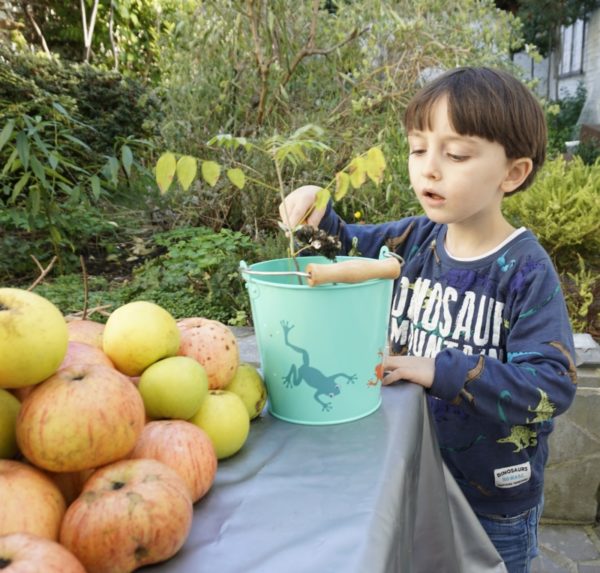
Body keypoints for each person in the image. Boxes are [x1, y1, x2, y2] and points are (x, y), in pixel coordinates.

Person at [279, 66, 577, 573]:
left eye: (455, 154)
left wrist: (439, 368)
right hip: (409, 480)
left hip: (490, 503)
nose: (428, 169)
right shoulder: (415, 239)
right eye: (418, 149)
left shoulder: (524, 270)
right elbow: (341, 242)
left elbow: (553, 385)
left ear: (513, 172)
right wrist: (313, 211)